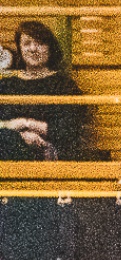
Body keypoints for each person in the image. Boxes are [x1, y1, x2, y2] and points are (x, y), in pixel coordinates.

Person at [0, 21, 87, 161]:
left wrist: (29, 124)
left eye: (40, 43)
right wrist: (20, 134)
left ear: (50, 48)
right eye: (27, 43)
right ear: (20, 49)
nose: (33, 48)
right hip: (11, 148)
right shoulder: (6, 85)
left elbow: (69, 129)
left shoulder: (64, 85)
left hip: (51, 150)